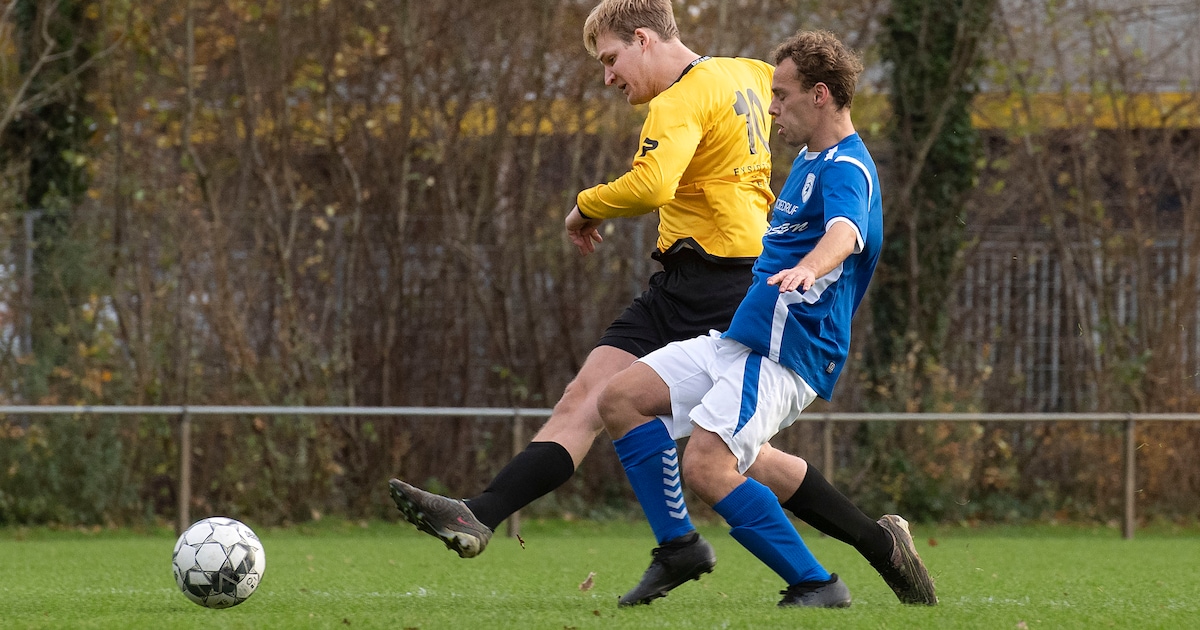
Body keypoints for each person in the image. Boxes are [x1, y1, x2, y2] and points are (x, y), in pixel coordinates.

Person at [388, 0, 935, 608]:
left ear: (644, 39)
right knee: (604, 399)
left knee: (722, 460)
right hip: (692, 280)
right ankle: (491, 515)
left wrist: (585, 204)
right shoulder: (749, 73)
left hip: (734, 286)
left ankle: (831, 571)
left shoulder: (682, 100)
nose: (608, 77)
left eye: (611, 59)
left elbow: (655, 184)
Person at [597, 29, 936, 608]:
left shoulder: (846, 167)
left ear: (821, 95)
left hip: (788, 351)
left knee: (706, 463)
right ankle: (686, 545)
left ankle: (816, 585)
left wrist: (810, 268)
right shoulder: (810, 159)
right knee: (620, 398)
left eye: (781, 96)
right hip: (743, 341)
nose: (771, 107)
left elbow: (846, 232)